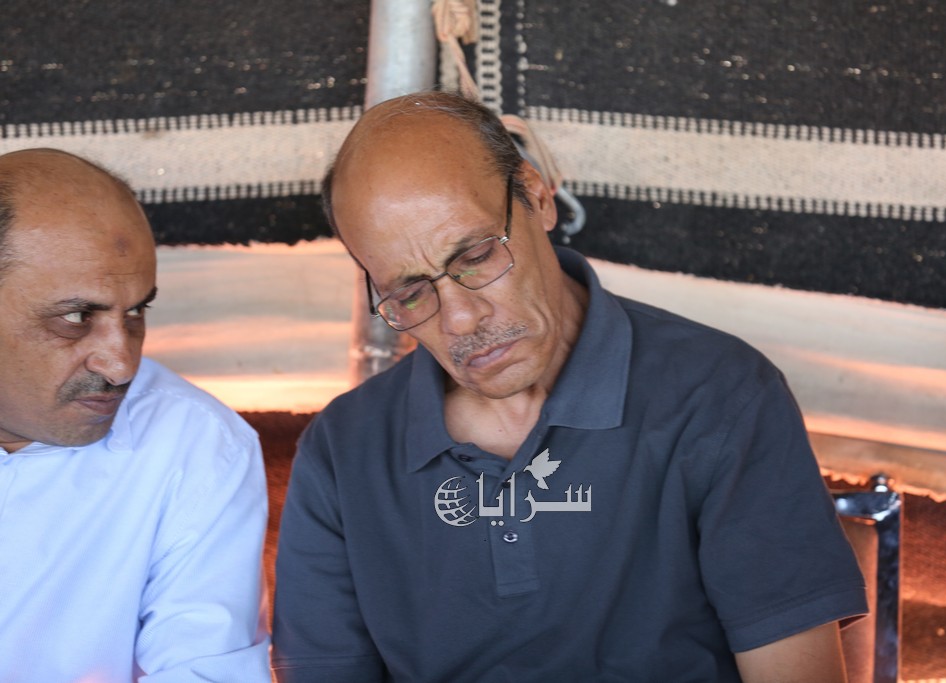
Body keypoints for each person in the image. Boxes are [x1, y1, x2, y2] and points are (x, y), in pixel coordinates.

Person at [272, 91, 868, 683]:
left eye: (475, 256)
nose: (460, 319)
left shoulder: (721, 397)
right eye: (410, 293)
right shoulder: (344, 450)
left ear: (536, 197)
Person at [0, 148, 271, 682]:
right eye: (76, 317)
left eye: (136, 312)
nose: (122, 364)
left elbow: (205, 672)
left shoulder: (198, 445)